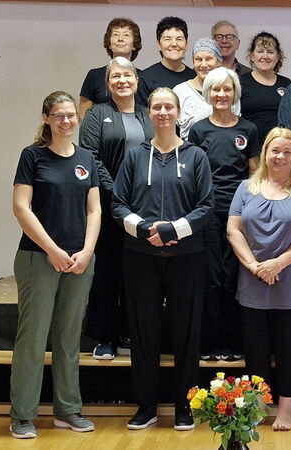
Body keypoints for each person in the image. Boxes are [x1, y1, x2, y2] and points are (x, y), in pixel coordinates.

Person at [111, 87, 213, 431]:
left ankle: (186, 405)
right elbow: (118, 204)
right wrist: (143, 229)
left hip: (187, 257)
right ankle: (146, 406)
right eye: (157, 107)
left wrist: (173, 230)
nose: (163, 112)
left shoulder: (196, 156)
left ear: (178, 112)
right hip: (140, 256)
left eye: (169, 107)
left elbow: (206, 206)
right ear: (149, 113)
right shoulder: (134, 156)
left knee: (186, 331)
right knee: (143, 332)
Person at [10, 91, 101, 439]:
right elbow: (21, 207)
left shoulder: (86, 158)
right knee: (33, 340)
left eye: (71, 115)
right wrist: (51, 249)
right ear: (47, 118)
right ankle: (22, 415)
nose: (66, 121)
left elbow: (94, 209)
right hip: (38, 259)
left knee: (68, 338)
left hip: (79, 261)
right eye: (59, 115)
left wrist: (87, 251)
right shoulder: (32, 156)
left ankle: (68, 410)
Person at [227, 127, 291, 431]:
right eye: (275, 150)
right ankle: (256, 407)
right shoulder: (246, 187)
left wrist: (277, 264)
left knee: (288, 351)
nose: (280, 156)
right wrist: (255, 266)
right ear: (265, 153)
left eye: (287, 152)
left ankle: (285, 411)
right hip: (253, 280)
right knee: (255, 351)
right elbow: (233, 230)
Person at [79, 57, 154, 360]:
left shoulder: (148, 114)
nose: (122, 81)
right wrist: (118, 193)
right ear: (108, 83)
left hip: (145, 207)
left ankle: (128, 332)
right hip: (109, 206)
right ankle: (104, 337)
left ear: (137, 81)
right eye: (115, 77)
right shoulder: (97, 114)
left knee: (136, 275)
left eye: (127, 75)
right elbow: (90, 156)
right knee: (107, 271)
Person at [188, 67, 259, 360]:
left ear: (235, 93)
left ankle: (232, 344)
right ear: (208, 93)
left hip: (238, 213)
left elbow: (254, 173)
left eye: (227, 89)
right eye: (216, 89)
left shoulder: (249, 129)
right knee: (210, 277)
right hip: (206, 212)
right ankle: (209, 344)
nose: (221, 94)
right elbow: (191, 174)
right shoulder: (198, 130)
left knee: (232, 276)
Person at [174, 38, 241, 140]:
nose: (204, 64)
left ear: (218, 61)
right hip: (189, 148)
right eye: (198, 59)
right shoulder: (180, 91)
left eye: (209, 59)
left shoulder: (228, 92)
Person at [80, 18, 142, 118]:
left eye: (126, 35)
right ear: (109, 43)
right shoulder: (94, 75)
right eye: (115, 34)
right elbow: (84, 114)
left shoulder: (144, 76)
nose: (120, 39)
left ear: (134, 44)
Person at [240, 31, 291, 146]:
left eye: (270, 52)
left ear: (278, 56)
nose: (265, 56)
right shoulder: (240, 82)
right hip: (250, 147)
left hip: (279, 147)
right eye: (260, 51)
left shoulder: (286, 83)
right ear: (252, 56)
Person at [136, 17, 195, 106]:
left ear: (186, 44)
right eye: (168, 39)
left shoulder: (194, 77)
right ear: (159, 45)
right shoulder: (145, 79)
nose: (174, 44)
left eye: (179, 39)